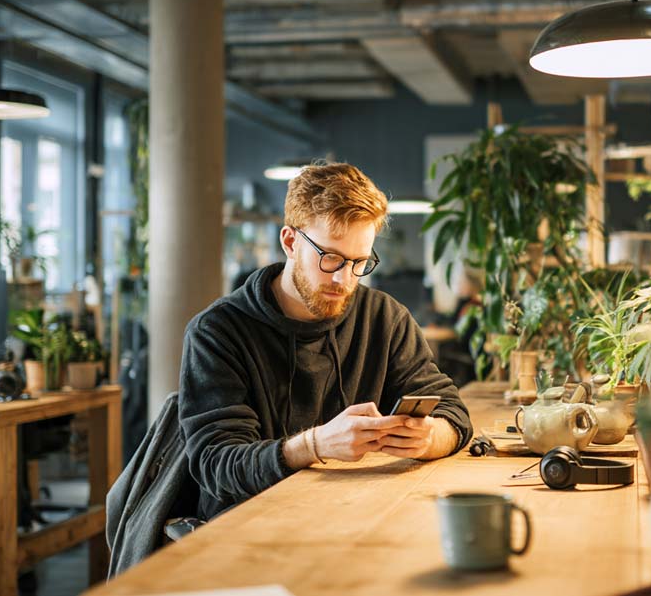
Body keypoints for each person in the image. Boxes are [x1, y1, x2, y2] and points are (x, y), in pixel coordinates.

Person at [178, 162, 473, 519]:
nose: (344, 280)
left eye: (359, 262)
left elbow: (453, 414)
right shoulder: (218, 332)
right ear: (290, 241)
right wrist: (315, 445)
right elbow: (218, 465)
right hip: (251, 523)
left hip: (357, 513)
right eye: (330, 258)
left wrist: (430, 438)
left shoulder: (384, 318)